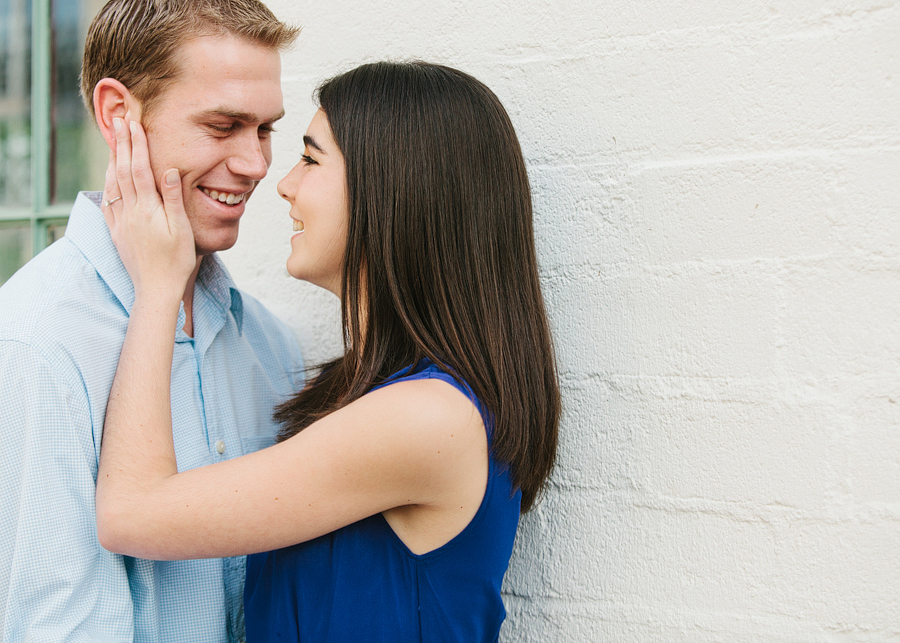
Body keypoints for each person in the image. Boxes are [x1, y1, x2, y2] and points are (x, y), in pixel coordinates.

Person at [95, 61, 561, 642]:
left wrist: (158, 287)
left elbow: (131, 514)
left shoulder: (424, 417)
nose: (283, 183)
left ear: (392, 191)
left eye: (311, 159)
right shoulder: (378, 398)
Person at [0, 0, 302, 641]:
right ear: (117, 115)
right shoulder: (36, 343)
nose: (254, 163)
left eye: (265, 130)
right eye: (222, 125)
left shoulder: (272, 348)